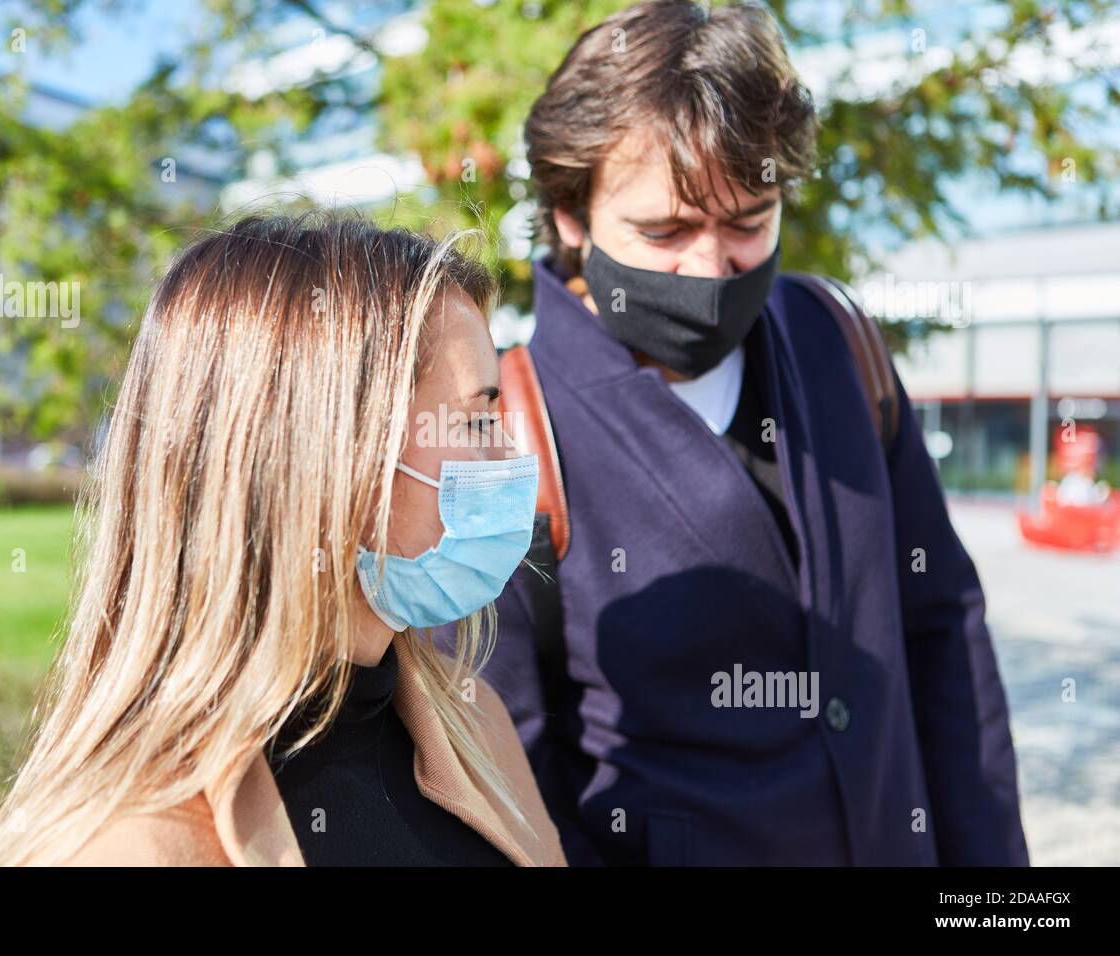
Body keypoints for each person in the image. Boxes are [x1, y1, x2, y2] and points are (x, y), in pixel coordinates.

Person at [434, 0, 1029, 866]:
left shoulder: (836, 341)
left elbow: (943, 631)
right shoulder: (503, 432)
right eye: (665, 230)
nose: (711, 266)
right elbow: (505, 775)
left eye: (750, 221)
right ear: (570, 214)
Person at [0, 212, 566, 867]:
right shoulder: (125, 846)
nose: (509, 456)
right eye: (476, 421)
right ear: (325, 453)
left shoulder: (475, 727)